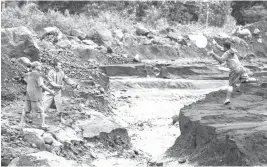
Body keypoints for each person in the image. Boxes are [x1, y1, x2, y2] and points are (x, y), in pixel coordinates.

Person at [20, 61, 55, 128]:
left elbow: (28, 82)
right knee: (41, 110)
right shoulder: (38, 75)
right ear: (36, 67)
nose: (40, 67)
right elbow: (41, 85)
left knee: (25, 109)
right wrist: (51, 91)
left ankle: (21, 123)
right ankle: (43, 124)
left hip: (28, 94)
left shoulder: (29, 74)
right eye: (39, 65)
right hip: (36, 95)